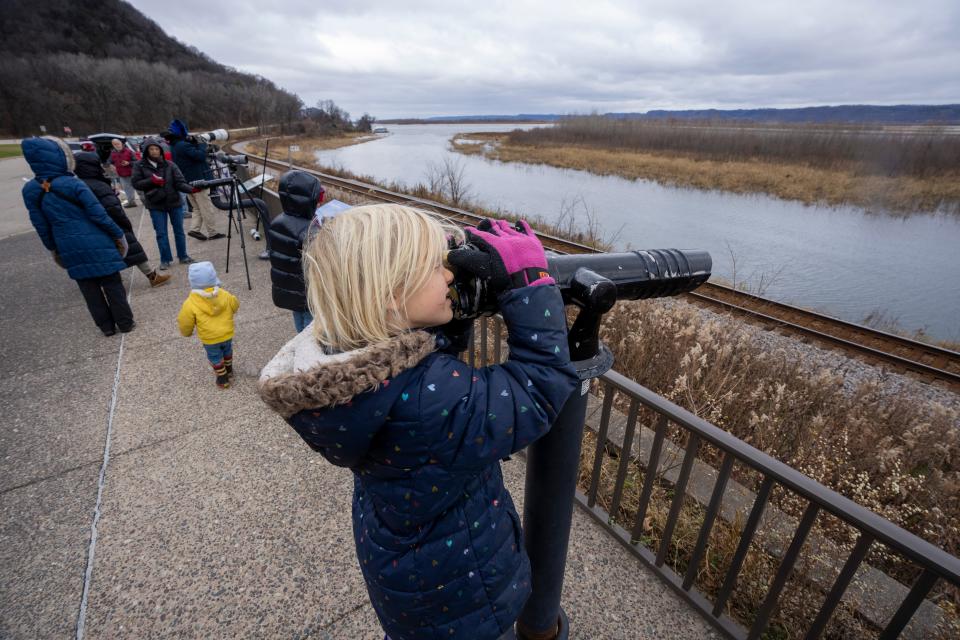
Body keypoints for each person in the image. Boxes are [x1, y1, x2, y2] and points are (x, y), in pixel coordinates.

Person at [258, 205, 578, 640]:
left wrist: (454, 309)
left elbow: (419, 350)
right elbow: (540, 387)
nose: (449, 276)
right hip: (464, 598)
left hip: (409, 581)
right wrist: (528, 283)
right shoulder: (432, 399)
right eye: (436, 267)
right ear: (392, 294)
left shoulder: (352, 371)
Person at [21, 136, 136, 336]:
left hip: (66, 244)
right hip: (97, 239)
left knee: (89, 290)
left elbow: (40, 224)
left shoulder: (31, 190)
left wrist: (53, 247)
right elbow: (99, 214)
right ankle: (125, 322)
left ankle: (106, 327)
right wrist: (118, 233)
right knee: (112, 284)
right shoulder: (74, 184)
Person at [74, 153, 172, 288]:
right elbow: (113, 209)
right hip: (112, 224)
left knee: (106, 256)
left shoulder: (76, 185)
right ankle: (152, 277)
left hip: (91, 228)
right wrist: (125, 224)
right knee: (133, 249)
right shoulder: (98, 185)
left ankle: (112, 281)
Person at [267, 170, 325, 332]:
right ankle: (306, 349)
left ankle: (299, 339)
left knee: (298, 315)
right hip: (308, 291)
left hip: (291, 288)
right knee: (311, 325)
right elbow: (321, 260)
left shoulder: (278, 220)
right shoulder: (308, 231)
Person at [132, 137, 196, 270]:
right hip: (156, 204)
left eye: (157, 149)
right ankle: (165, 259)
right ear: (146, 151)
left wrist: (192, 189)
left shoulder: (170, 164)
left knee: (179, 231)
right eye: (151, 149)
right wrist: (151, 181)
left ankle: (183, 256)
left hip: (174, 202)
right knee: (161, 233)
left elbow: (179, 182)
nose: (155, 152)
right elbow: (136, 183)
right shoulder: (140, 165)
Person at [177, 261, 240, 389]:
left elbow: (185, 321)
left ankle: (223, 379)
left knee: (215, 357)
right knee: (227, 352)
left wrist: (187, 333)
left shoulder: (190, 302)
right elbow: (235, 305)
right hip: (227, 333)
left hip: (210, 338)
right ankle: (230, 371)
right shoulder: (224, 294)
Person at [167, 119, 224, 241]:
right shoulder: (183, 145)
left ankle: (194, 230)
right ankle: (213, 232)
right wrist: (202, 144)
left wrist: (196, 144)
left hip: (187, 182)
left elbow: (191, 157)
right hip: (199, 181)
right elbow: (200, 156)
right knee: (206, 207)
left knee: (197, 208)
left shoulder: (174, 146)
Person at [108, 138, 138, 208]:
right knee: (127, 190)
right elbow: (109, 161)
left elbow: (136, 162)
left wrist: (129, 163)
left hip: (133, 173)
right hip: (122, 175)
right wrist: (111, 165)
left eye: (118, 143)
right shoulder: (113, 153)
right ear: (113, 145)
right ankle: (131, 202)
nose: (117, 145)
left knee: (139, 188)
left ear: (121, 143)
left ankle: (145, 201)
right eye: (115, 144)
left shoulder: (129, 151)